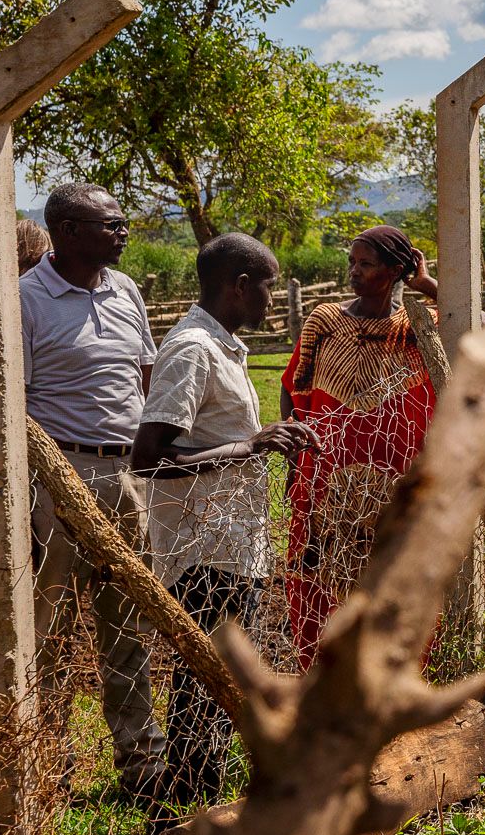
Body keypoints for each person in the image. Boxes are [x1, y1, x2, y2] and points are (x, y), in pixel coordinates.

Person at [133, 234, 316, 802]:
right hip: (203, 549)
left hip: (233, 542)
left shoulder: (225, 346)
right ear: (239, 286)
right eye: (267, 286)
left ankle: (196, 796)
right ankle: (186, 805)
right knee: (205, 684)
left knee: (220, 683)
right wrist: (250, 445)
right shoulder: (193, 349)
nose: (271, 298)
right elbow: (149, 457)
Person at [21, 184, 167, 800]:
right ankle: (45, 768)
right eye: (110, 223)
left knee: (128, 621)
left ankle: (142, 765)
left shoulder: (124, 289)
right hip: (56, 477)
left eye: (121, 222)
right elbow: (14, 403)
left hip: (127, 475)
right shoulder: (24, 301)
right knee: (48, 628)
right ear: (66, 230)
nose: (122, 231)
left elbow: (145, 378)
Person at [280, 225, 438, 667]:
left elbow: (482, 325)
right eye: (352, 262)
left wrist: (426, 284)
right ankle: (322, 673)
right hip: (328, 472)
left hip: (399, 470)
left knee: (399, 571)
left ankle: (397, 673)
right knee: (319, 573)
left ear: (395, 269)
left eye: (365, 264)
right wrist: (296, 447)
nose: (353, 271)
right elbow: (293, 387)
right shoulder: (325, 321)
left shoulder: (420, 325)